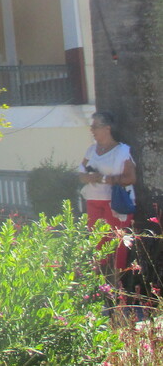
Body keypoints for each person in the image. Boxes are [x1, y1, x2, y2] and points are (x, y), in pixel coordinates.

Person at [78, 110, 137, 271]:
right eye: (92, 126)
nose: (92, 130)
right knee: (97, 245)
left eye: (95, 126)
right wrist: (89, 177)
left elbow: (131, 178)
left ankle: (117, 287)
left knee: (117, 245)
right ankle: (100, 285)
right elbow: (81, 174)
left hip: (115, 204)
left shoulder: (122, 151)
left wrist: (104, 179)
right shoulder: (91, 150)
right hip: (93, 202)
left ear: (107, 128)